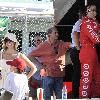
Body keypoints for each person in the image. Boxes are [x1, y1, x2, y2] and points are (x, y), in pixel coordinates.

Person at [28, 27, 72, 100]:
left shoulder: (61, 43)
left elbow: (72, 45)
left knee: (59, 97)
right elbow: (29, 56)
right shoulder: (43, 46)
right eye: (55, 33)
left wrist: (77, 44)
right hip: (47, 75)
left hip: (59, 75)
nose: (57, 34)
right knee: (46, 97)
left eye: (57, 32)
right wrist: (40, 66)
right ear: (49, 35)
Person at [79, 4, 100, 98]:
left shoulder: (95, 22)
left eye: (95, 10)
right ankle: (84, 98)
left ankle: (95, 97)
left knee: (97, 77)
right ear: (86, 12)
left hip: (93, 51)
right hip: (87, 52)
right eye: (91, 10)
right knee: (87, 78)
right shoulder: (86, 23)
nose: (94, 12)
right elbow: (96, 39)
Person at [70, 10, 83, 98]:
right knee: (78, 72)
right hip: (76, 50)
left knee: (78, 72)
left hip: (76, 49)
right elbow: (75, 34)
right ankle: (76, 95)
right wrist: (79, 48)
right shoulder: (80, 22)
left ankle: (77, 94)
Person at [28, 33, 43, 100]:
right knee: (33, 96)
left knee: (43, 96)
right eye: (35, 41)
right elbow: (29, 57)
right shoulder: (31, 49)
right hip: (34, 76)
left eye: (38, 40)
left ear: (42, 40)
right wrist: (40, 65)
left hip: (44, 76)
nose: (37, 42)